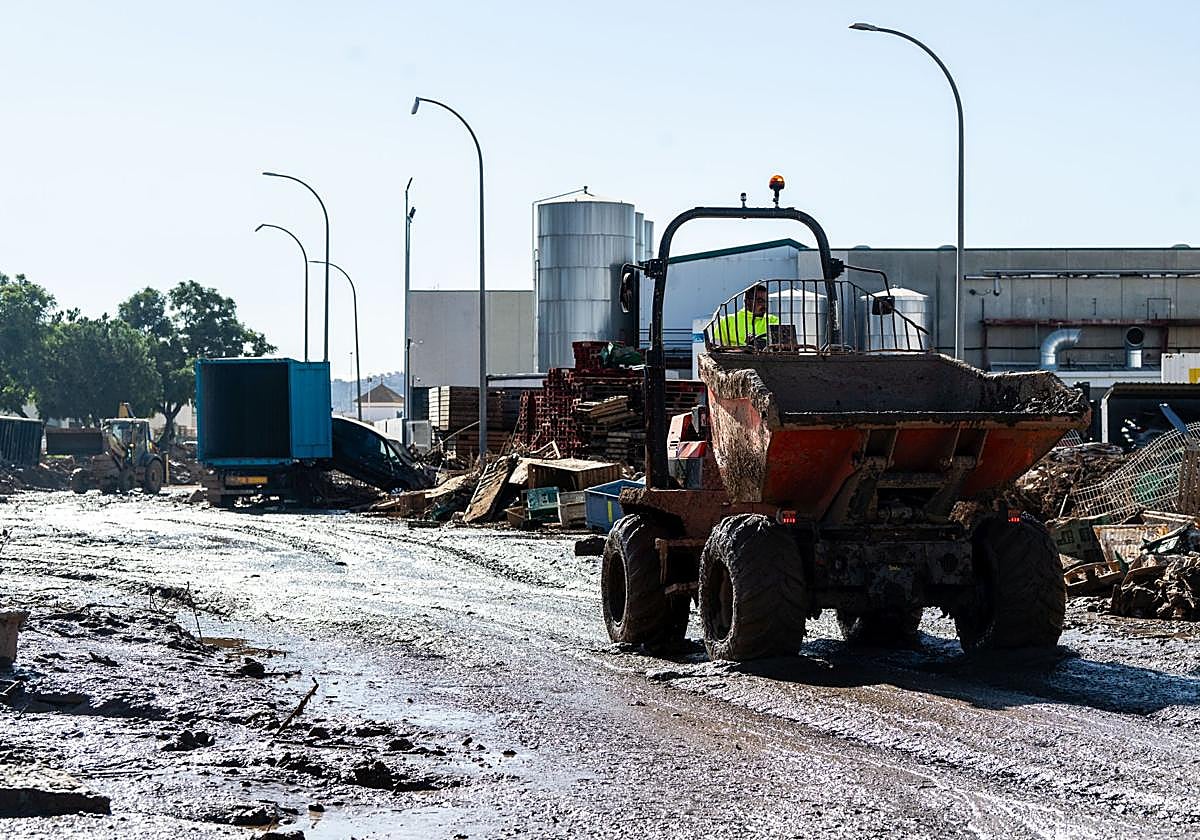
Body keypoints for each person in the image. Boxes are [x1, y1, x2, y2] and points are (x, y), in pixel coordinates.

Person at [714, 283, 779, 347]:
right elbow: (715, 347)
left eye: (766, 301)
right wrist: (744, 349)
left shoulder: (773, 320)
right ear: (747, 302)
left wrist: (760, 343)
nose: (765, 305)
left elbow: (779, 346)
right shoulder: (727, 321)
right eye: (760, 301)